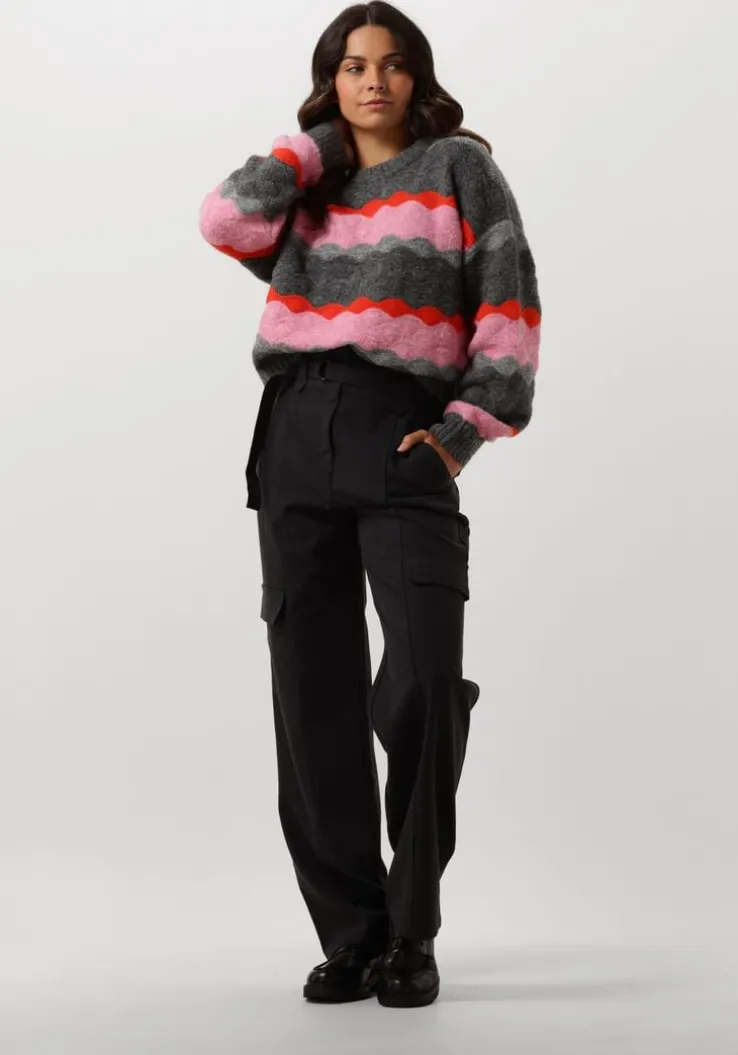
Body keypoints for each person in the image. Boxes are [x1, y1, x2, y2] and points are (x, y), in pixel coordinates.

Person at [198, 0, 541, 1009]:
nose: (374, 81)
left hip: (404, 434)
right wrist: (315, 146)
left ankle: (412, 926)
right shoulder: (309, 183)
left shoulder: (459, 168)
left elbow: (509, 307)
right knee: (312, 693)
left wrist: (461, 434)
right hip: (294, 429)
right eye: (352, 67)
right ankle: (353, 933)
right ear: (330, 82)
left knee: (423, 682)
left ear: (418, 76)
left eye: (392, 64)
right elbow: (224, 220)